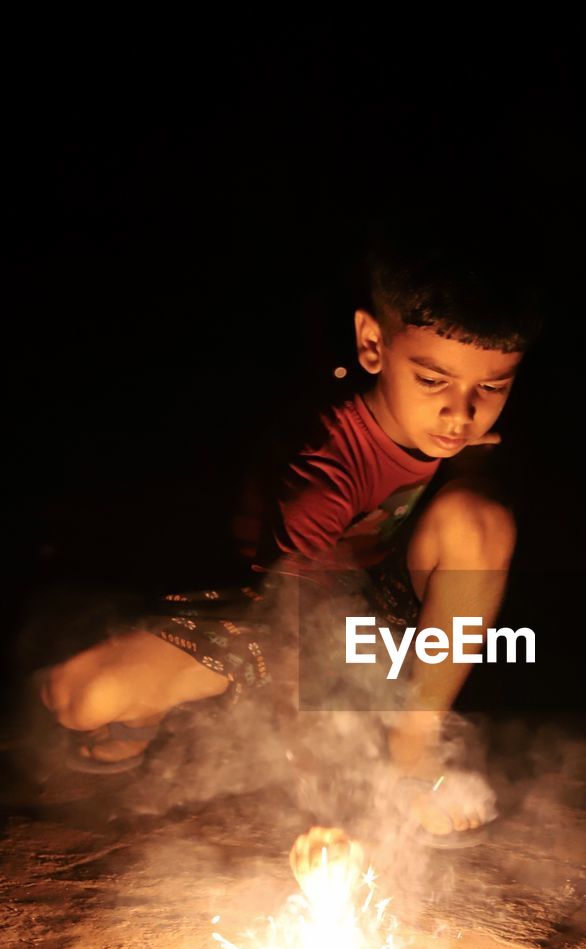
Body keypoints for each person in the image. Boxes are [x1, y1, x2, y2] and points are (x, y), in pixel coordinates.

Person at [39, 209, 546, 836]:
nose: (460, 412)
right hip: (275, 615)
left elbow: (476, 521)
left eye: (492, 388)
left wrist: (385, 780)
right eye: (432, 379)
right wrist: (331, 795)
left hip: (377, 620)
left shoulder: (468, 433)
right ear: (372, 344)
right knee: (81, 698)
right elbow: (292, 632)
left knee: (479, 520)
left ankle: (410, 760)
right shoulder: (324, 469)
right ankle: (154, 723)